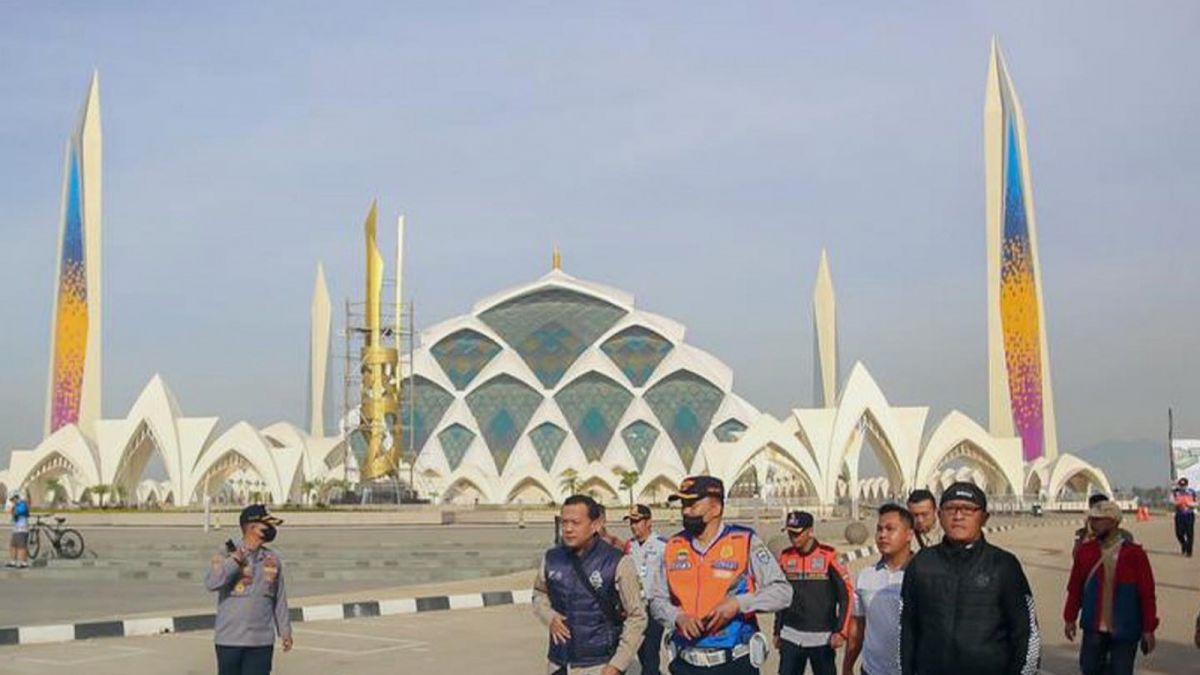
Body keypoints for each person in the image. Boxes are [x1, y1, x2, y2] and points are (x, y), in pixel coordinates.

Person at [649, 475, 792, 675]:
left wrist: (738, 604)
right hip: (686, 663)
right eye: (683, 505)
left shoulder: (744, 541)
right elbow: (656, 599)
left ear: (715, 509)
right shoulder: (673, 546)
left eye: (692, 505)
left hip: (733, 662)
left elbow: (783, 592)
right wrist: (677, 617)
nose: (685, 511)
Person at [899, 482, 1040, 675]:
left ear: (984, 518)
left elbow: (1026, 634)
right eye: (951, 509)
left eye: (968, 509)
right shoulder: (921, 564)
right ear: (940, 515)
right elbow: (906, 629)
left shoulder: (1003, 565)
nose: (958, 516)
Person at [533, 494, 647, 675]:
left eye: (575, 523)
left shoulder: (617, 562)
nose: (568, 529)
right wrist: (549, 616)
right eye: (564, 522)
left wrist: (617, 664)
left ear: (595, 525)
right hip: (558, 662)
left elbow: (637, 616)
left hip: (599, 664)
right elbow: (539, 593)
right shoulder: (551, 558)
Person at [1063, 499, 1157, 675]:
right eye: (1092, 519)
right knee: (1089, 669)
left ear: (1113, 522)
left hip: (1125, 628)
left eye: (1098, 520)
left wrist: (1148, 629)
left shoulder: (1134, 554)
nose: (1093, 524)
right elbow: (1075, 588)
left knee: (1121, 671)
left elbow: (1146, 594)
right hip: (1094, 628)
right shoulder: (1086, 552)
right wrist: (1070, 618)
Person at [204, 504, 292, 675]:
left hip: (261, 642)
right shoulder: (226, 552)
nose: (271, 530)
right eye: (266, 526)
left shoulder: (272, 559)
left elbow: (279, 597)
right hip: (230, 640)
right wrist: (235, 561)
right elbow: (212, 583)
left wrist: (285, 630)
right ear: (251, 527)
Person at [774, 510, 852, 675]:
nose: (793, 537)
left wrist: (841, 631)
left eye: (797, 533)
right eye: (789, 533)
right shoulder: (785, 557)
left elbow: (846, 595)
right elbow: (781, 596)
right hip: (790, 635)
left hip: (822, 638)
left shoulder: (829, 556)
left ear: (810, 531)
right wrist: (777, 630)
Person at [843, 504, 914, 675]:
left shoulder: (922, 575)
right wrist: (847, 667)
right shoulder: (866, 576)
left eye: (890, 529)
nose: (882, 535)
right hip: (871, 670)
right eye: (879, 529)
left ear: (909, 534)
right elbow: (857, 628)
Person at [625, 504, 668, 675]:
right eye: (631, 522)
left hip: (653, 607)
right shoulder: (630, 546)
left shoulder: (662, 546)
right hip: (635, 608)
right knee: (641, 652)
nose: (633, 526)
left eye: (637, 521)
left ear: (649, 522)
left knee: (650, 654)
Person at [1171, 477, 1196, 557]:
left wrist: (1190, 504)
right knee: (1179, 533)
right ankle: (1184, 544)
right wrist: (1177, 502)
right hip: (1179, 515)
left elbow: (1196, 503)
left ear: (1187, 485)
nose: (1182, 487)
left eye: (1184, 485)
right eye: (1181, 485)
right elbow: (1171, 501)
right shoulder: (1175, 492)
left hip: (1189, 514)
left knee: (1189, 534)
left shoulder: (1191, 492)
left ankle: (1189, 551)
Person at [6, 493, 30, 569]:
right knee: (13, 546)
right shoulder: (16, 505)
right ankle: (13, 562)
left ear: (16, 498)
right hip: (16, 529)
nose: (12, 501)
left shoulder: (22, 505)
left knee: (22, 547)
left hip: (22, 529)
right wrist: (12, 509)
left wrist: (12, 509)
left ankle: (24, 563)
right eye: (11, 500)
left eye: (12, 499)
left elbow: (17, 513)